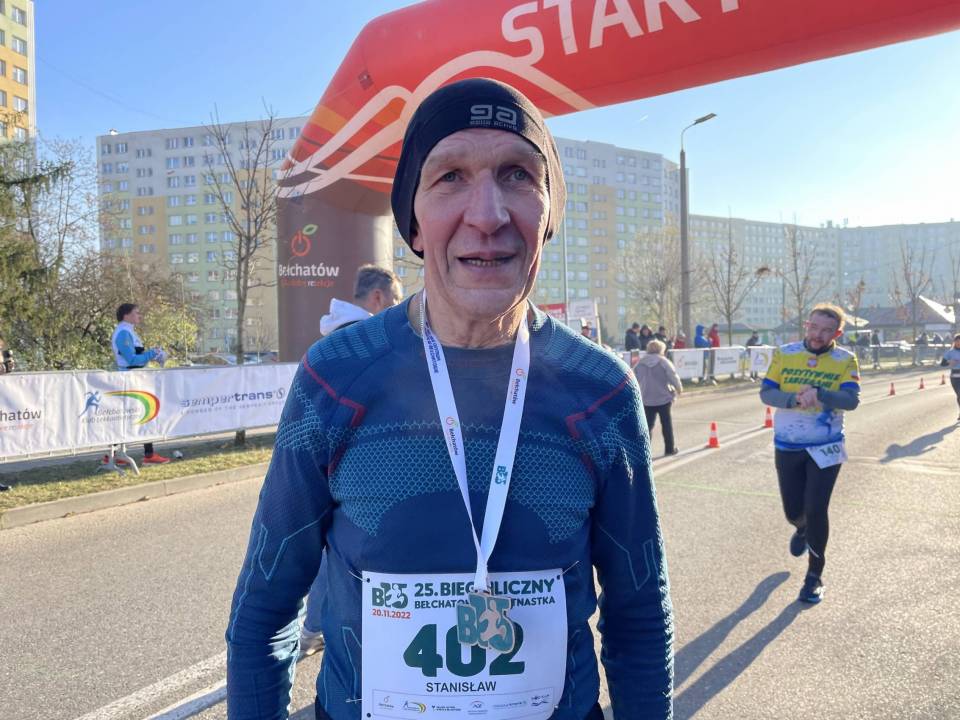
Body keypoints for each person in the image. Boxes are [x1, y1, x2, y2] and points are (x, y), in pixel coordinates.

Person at [226, 78, 673, 720]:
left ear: (549, 215)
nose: (487, 215)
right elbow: (265, 608)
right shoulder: (336, 376)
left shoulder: (599, 390)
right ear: (413, 220)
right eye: (450, 177)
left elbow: (639, 613)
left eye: (518, 175)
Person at [300, 264, 404, 657]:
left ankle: (313, 627)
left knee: (330, 546)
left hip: (331, 459)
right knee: (344, 552)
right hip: (364, 465)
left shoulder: (333, 339)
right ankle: (319, 628)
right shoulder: (370, 341)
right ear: (378, 297)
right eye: (395, 299)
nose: (397, 307)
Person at [760, 303, 860, 604]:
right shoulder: (785, 353)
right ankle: (800, 527)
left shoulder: (845, 359)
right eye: (814, 328)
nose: (818, 335)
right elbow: (767, 392)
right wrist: (793, 399)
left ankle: (814, 576)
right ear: (806, 326)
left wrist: (821, 394)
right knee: (794, 511)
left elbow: (851, 400)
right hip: (788, 445)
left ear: (837, 334)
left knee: (817, 509)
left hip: (826, 446)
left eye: (827, 331)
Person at [110, 303, 170, 464]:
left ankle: (145, 455)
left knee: (143, 414)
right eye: (136, 313)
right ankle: (113, 455)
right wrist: (152, 353)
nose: (139, 315)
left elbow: (138, 357)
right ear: (126, 315)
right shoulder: (123, 332)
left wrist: (153, 355)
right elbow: (132, 360)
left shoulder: (128, 331)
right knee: (131, 416)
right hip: (129, 379)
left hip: (135, 378)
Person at [319, 264, 404, 336]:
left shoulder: (333, 333)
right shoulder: (372, 339)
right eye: (396, 298)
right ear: (377, 297)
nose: (399, 305)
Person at [634, 339, 682, 456]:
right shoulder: (664, 361)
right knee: (666, 424)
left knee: (647, 427)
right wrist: (679, 388)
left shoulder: (640, 363)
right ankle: (669, 449)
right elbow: (673, 376)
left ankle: (645, 452)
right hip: (663, 398)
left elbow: (634, 379)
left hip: (646, 398)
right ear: (661, 349)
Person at [941, 333, 960, 421]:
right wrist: (949, 362)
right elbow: (942, 363)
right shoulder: (950, 352)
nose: (959, 343)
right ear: (954, 342)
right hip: (954, 376)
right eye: (957, 341)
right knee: (959, 395)